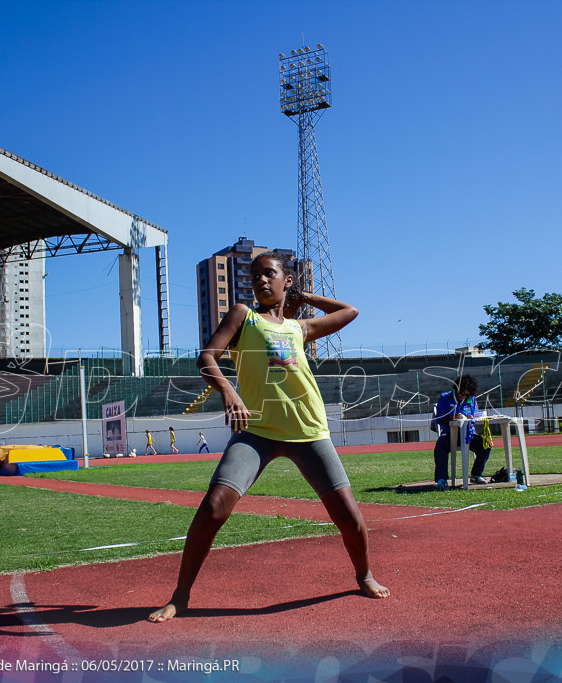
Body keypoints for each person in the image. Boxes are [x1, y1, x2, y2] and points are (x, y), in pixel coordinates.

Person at [148, 251, 390, 623]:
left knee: (350, 518)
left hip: (308, 431)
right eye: (255, 276)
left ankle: (365, 576)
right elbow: (206, 356)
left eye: (270, 274)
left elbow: (350, 311)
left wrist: (303, 298)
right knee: (213, 508)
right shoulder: (244, 316)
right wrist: (229, 391)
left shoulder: (299, 328)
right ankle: (180, 596)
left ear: (286, 280)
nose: (261, 281)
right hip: (257, 431)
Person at [431, 374, 491, 489]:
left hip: (468, 434)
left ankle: (476, 474)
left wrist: (472, 417)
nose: (463, 397)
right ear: (456, 389)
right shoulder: (445, 397)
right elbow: (439, 419)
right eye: (461, 393)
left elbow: (475, 414)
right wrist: (453, 418)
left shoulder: (471, 399)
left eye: (467, 395)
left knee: (485, 446)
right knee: (440, 447)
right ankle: (442, 479)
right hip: (450, 434)